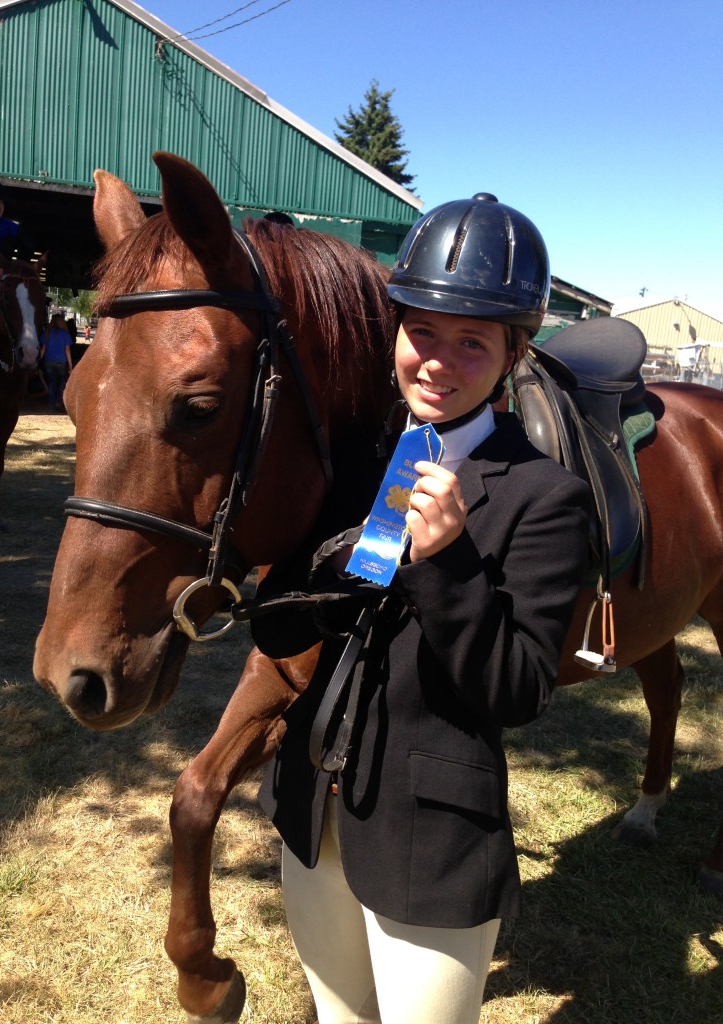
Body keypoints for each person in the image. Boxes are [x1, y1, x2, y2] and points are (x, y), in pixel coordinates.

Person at [251, 194, 591, 1024]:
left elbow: (518, 691)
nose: (437, 361)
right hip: (311, 808)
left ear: (514, 354)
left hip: (429, 838)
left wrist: (446, 562)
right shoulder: (362, 455)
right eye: (422, 333)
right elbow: (283, 628)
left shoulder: (545, 497)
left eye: (472, 341)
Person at [40, 313, 72, 411]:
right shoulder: (65, 334)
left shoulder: (46, 333)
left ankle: (50, 404)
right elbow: (67, 350)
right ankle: (58, 402)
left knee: (51, 383)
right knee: (61, 383)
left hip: (49, 361)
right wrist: (70, 365)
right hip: (61, 361)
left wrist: (38, 361)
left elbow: (43, 349)